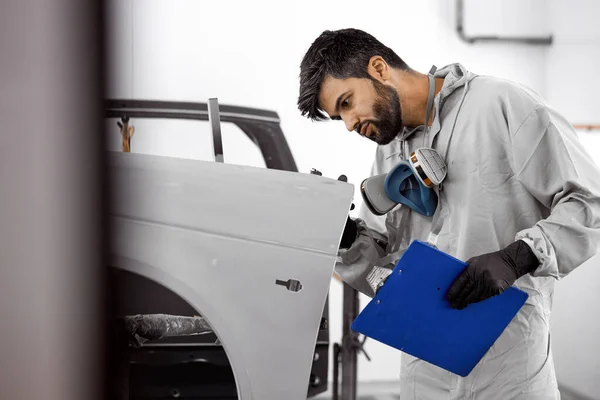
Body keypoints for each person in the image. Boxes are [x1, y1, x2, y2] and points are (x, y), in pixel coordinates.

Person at [297, 28, 600, 399]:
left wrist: (518, 256)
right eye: (337, 116)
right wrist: (346, 239)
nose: (348, 124)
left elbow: (589, 203)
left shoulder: (501, 104)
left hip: (509, 368)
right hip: (423, 370)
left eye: (346, 103)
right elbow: (381, 273)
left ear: (378, 68)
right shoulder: (389, 150)